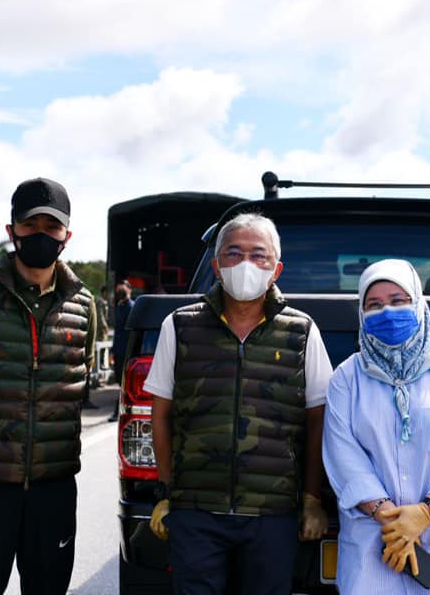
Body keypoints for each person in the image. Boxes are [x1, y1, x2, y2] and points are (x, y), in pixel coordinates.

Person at [145, 212, 332, 595]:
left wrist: (313, 500)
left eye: (258, 255)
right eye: (234, 253)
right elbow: (160, 415)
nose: (246, 263)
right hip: (196, 511)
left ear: (275, 269)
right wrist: (165, 495)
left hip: (273, 515)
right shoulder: (179, 325)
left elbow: (319, 421)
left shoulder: (302, 331)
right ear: (216, 266)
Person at [0, 177, 96, 595]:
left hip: (53, 489)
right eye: (31, 226)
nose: (41, 235)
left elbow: (79, 383)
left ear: (67, 236)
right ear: (12, 231)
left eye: (51, 227)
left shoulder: (83, 306)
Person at [322, 259, 430, 594]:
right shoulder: (346, 377)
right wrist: (391, 518)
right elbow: (343, 454)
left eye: (398, 301)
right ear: (361, 312)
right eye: (374, 304)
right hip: (375, 540)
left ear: (418, 303)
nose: (387, 311)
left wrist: (426, 512)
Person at [107, 279, 134, 422]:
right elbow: (118, 331)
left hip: (127, 351)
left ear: (129, 289)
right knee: (119, 381)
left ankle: (118, 411)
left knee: (123, 383)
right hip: (118, 350)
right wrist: (113, 349)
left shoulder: (132, 307)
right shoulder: (120, 306)